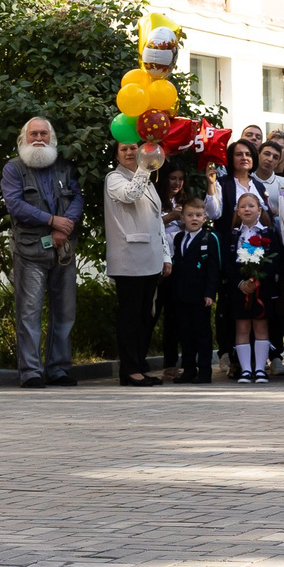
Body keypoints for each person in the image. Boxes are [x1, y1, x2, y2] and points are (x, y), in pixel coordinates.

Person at [0, 116, 82, 388]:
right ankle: (31, 372)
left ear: (51, 138)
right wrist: (51, 221)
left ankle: (58, 369)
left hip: (64, 248)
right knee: (29, 313)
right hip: (30, 251)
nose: (38, 138)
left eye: (43, 134)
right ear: (24, 139)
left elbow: (77, 199)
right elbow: (15, 205)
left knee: (65, 312)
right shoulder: (13, 169)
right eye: (33, 134)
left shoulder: (65, 166)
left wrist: (63, 227)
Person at [105, 141, 168, 386]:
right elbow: (130, 195)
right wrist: (145, 166)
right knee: (130, 316)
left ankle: (140, 364)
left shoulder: (149, 180)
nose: (131, 153)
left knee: (145, 316)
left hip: (150, 258)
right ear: (117, 155)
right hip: (129, 258)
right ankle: (129, 370)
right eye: (125, 149)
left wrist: (165, 255)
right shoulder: (114, 178)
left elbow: (157, 221)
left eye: (134, 148)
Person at [223, 189, 284, 383]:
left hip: (262, 288)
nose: (247, 210)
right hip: (239, 289)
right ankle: (245, 370)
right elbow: (227, 263)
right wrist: (240, 282)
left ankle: (259, 369)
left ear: (259, 210)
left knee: (261, 326)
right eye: (243, 207)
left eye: (251, 206)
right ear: (238, 211)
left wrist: (258, 279)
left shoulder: (268, 233)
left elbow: (274, 260)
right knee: (242, 327)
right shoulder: (233, 235)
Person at [165, 196, 222, 382]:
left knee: (202, 334)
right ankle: (188, 369)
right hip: (181, 295)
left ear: (205, 218)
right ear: (182, 217)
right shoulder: (179, 237)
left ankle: (204, 371)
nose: (194, 218)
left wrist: (210, 293)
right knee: (185, 333)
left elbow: (214, 268)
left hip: (200, 296)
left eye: (198, 215)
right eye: (190, 215)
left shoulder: (210, 237)